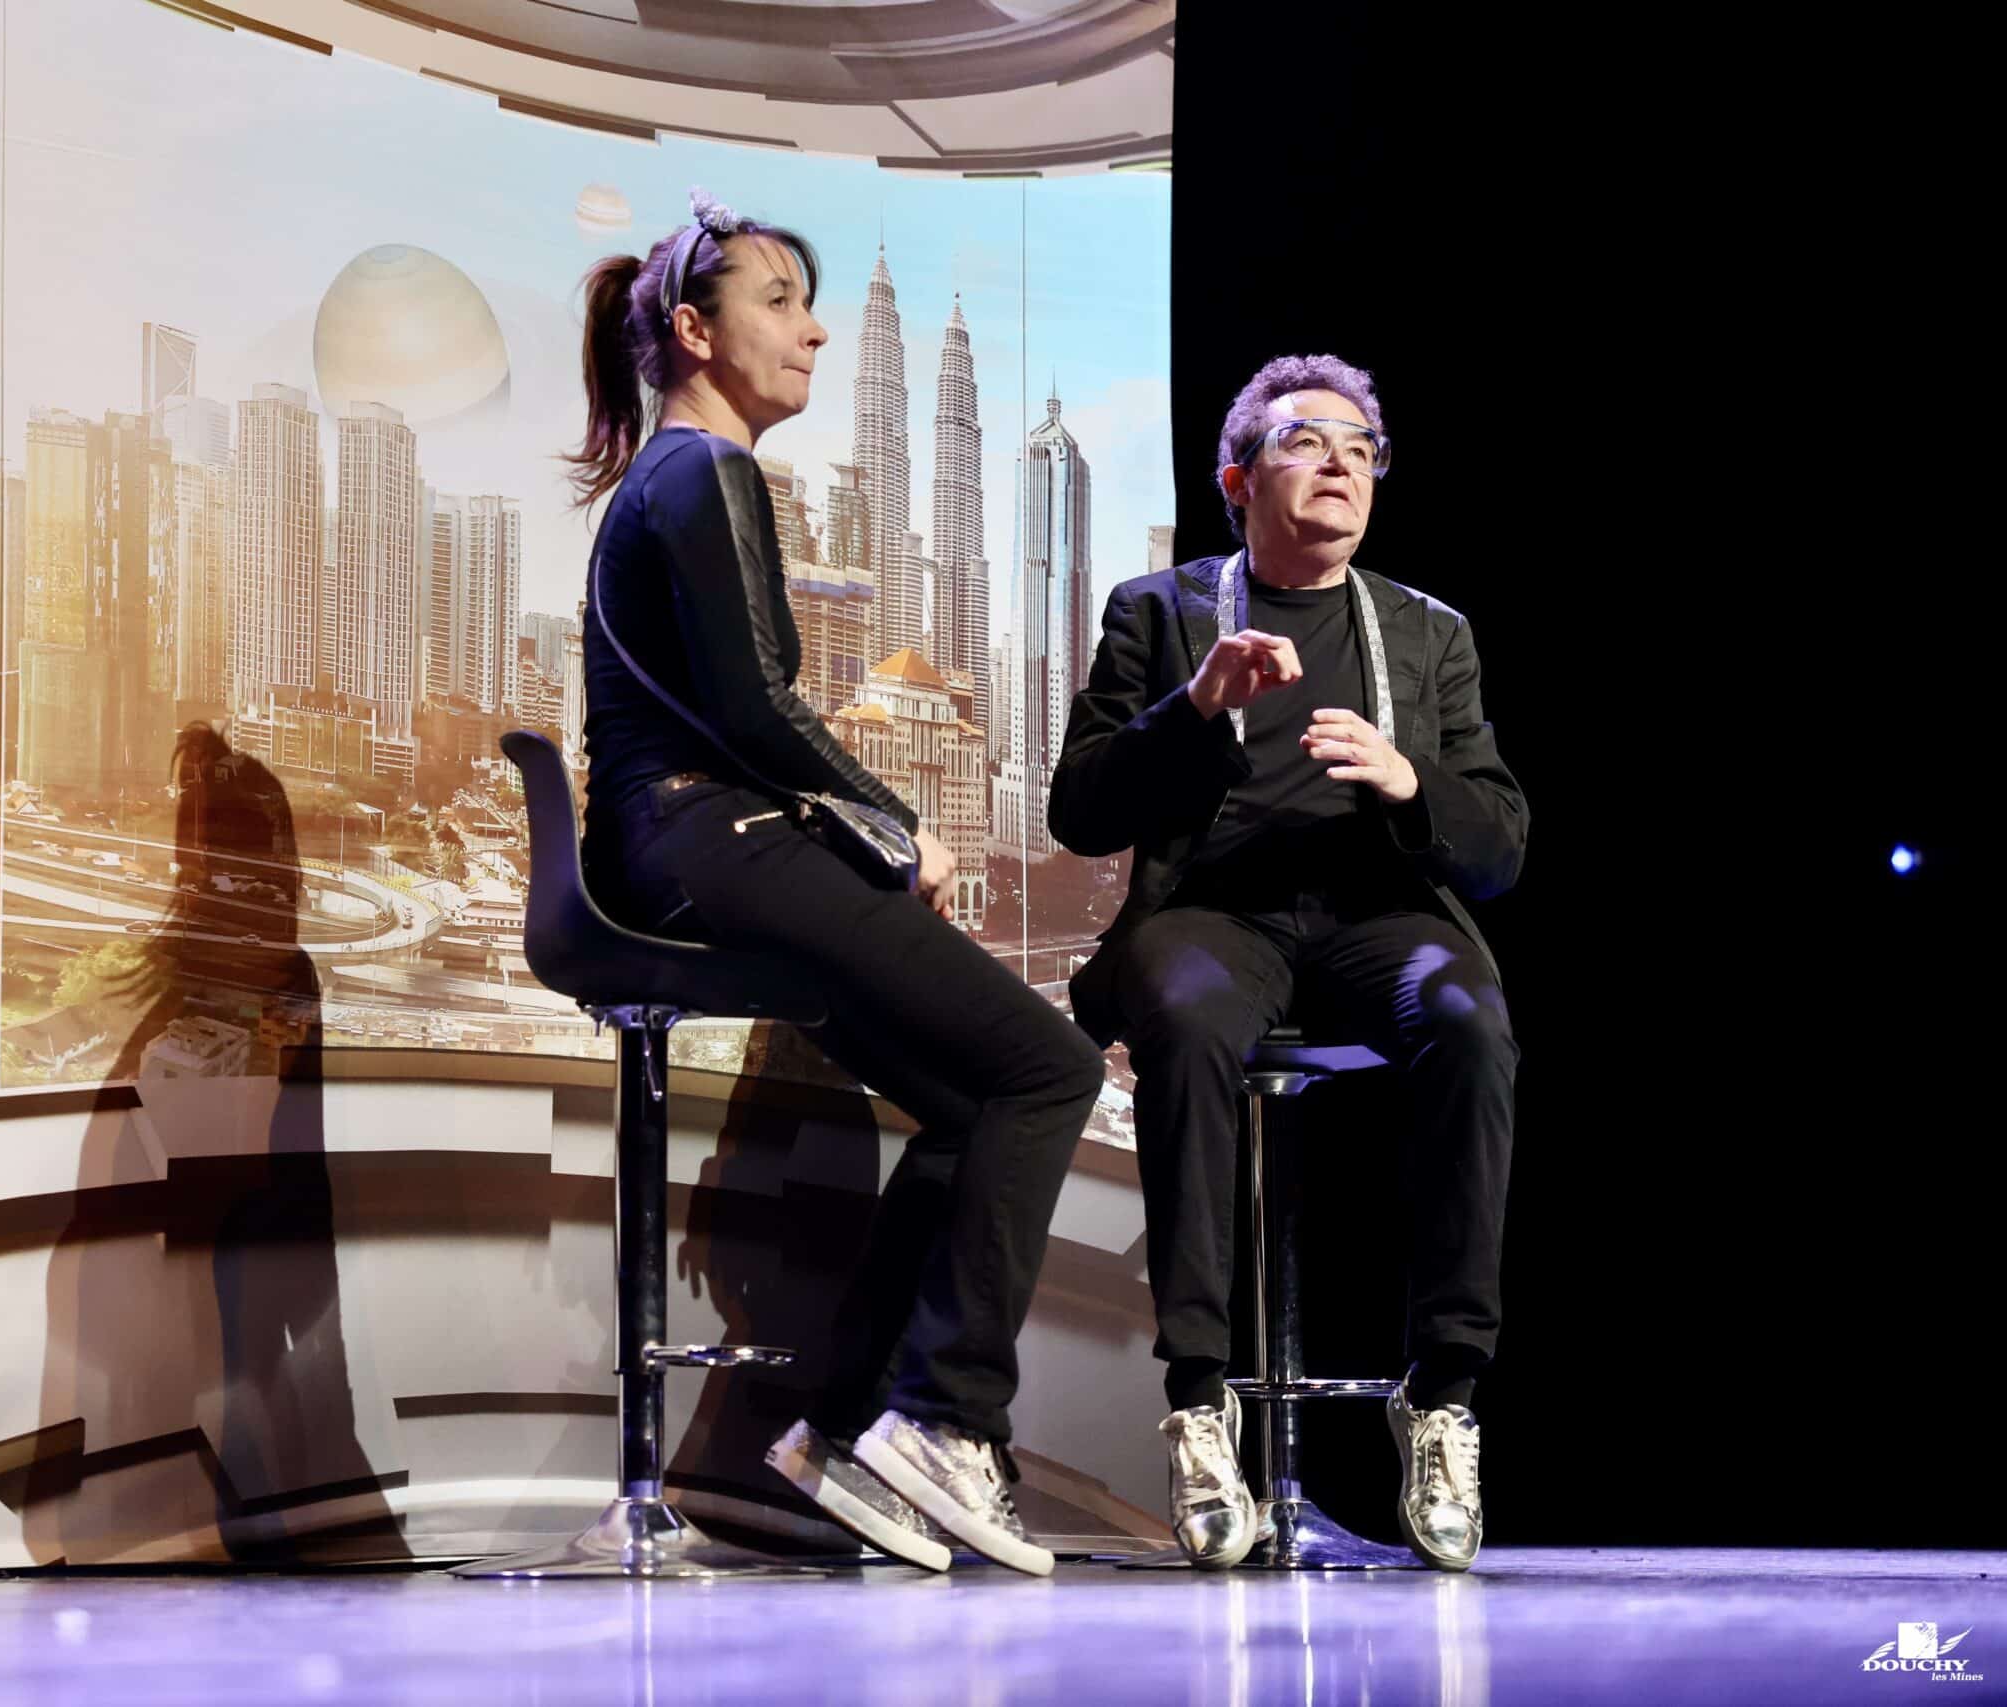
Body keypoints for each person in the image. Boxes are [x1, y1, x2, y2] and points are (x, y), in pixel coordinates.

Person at [571, 190, 1105, 1575]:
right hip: (707, 837)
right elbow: (753, 703)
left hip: (676, 839)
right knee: (1050, 1066)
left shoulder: (680, 475)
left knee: (977, 1100)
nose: (811, 332)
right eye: (779, 303)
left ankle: (850, 1424)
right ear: (695, 331)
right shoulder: (704, 471)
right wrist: (898, 827)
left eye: (813, 307)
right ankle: (947, 1422)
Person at [1051, 355, 1527, 1571]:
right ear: (1237, 480)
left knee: (1468, 1016)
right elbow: (1080, 811)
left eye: (1362, 450)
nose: (1340, 465)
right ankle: (1200, 1398)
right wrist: (1192, 707)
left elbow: (1497, 845)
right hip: (1213, 914)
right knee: (1186, 1011)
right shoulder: (1156, 614)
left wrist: (1411, 781)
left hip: (1376, 918)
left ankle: (1443, 1394)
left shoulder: (1429, 632)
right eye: (1307, 442)